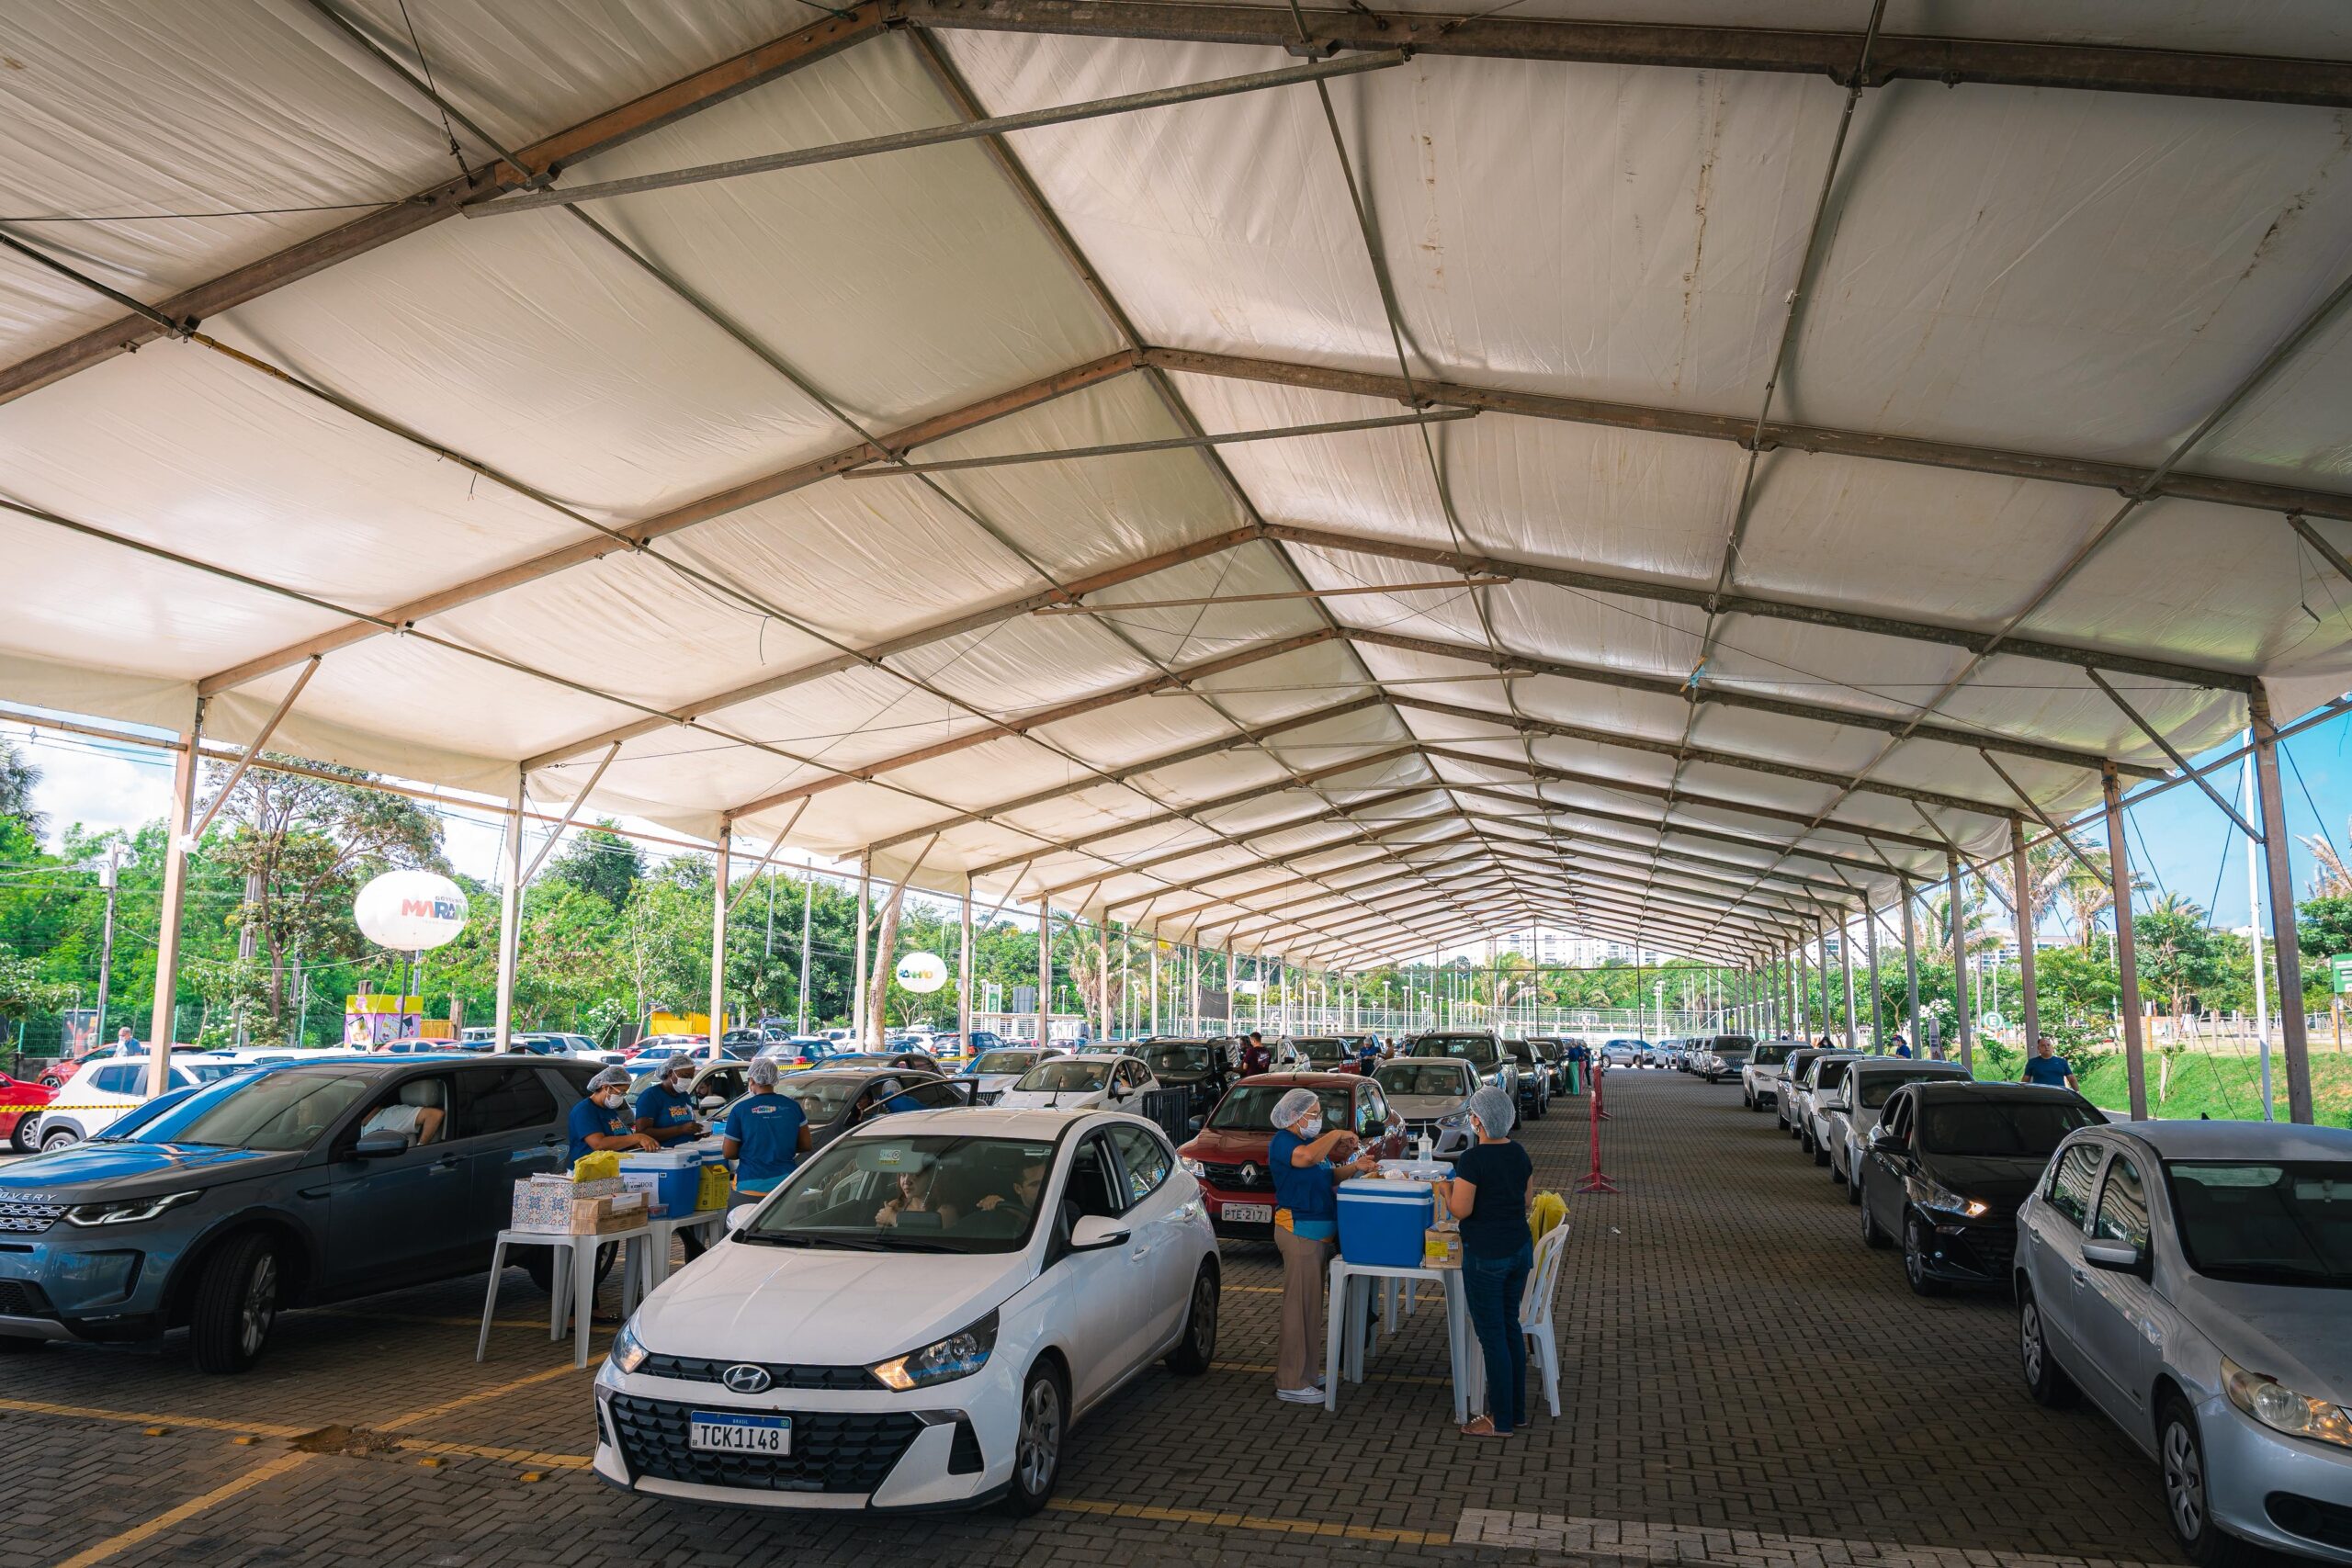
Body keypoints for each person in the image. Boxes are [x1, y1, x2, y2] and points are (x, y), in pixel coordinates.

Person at [1267, 1086, 1380, 1404]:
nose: (1318, 1119)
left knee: (1311, 1308)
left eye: (1319, 1115)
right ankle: (1291, 1380)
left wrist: (1356, 1168)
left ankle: (1306, 1372)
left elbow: (1326, 1177)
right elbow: (1307, 1160)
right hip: (1299, 1233)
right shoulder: (1285, 1143)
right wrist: (1335, 1134)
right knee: (1298, 1309)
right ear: (1294, 1115)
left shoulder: (1307, 1143)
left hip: (1315, 1237)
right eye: (1314, 1114)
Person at [1439, 1086, 1534, 1438]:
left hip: (1486, 1255)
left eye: (1472, 1116)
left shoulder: (1473, 1159)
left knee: (1492, 1336)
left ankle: (1500, 1419)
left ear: (1478, 1121)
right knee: (1510, 1328)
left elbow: (1462, 1210)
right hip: (1518, 1249)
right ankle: (1516, 1412)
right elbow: (1526, 1201)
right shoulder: (1519, 1152)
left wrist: (1447, 1191)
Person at [723, 1058, 812, 1199]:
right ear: (774, 1078)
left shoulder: (740, 1110)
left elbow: (728, 1152)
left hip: (750, 1184)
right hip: (787, 1184)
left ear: (752, 1081)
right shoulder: (792, 1107)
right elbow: (806, 1145)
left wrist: (752, 1150)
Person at [569, 1066, 660, 1166]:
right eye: (620, 1092)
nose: (622, 1096)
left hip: (609, 1167)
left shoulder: (609, 1109)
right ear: (605, 1087)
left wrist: (632, 1144)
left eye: (624, 1093)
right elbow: (599, 1144)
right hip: (589, 1169)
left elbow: (617, 1137)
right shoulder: (585, 1110)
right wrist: (637, 1138)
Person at [633, 1054, 706, 1145]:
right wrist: (680, 1129)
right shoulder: (651, 1096)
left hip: (687, 1150)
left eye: (691, 1077)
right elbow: (642, 1133)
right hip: (663, 1152)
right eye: (685, 1076)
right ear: (670, 1073)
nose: (688, 1080)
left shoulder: (684, 1096)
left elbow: (687, 1128)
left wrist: (698, 1133)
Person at [875, 1166, 956, 1228]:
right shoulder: (894, 1206)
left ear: (931, 1177)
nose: (906, 1181)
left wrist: (893, 1218)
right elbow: (877, 1239)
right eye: (903, 1175)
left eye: (914, 1174)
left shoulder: (945, 1211)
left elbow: (928, 1241)